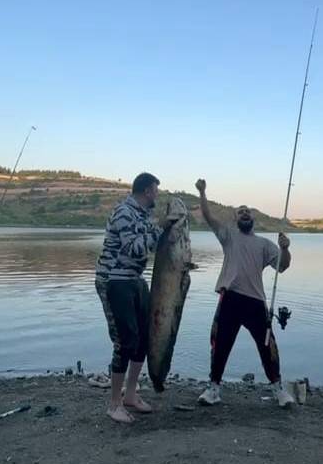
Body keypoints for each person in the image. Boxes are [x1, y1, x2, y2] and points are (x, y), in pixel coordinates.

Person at [195, 178, 294, 407]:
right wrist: (202, 192)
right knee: (219, 344)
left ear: (253, 218)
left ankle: (278, 389)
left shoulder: (264, 244)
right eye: (240, 212)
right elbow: (209, 218)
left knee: (268, 346)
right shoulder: (228, 236)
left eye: (248, 212)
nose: (245, 214)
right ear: (235, 219)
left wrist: (285, 249)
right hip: (230, 298)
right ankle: (214, 388)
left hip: (255, 302)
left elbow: (283, 265)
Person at [95, 172, 171, 423]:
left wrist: (165, 227)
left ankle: (130, 395)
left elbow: (152, 240)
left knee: (142, 340)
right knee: (124, 342)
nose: (157, 196)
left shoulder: (144, 214)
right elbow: (135, 247)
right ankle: (114, 404)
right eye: (155, 191)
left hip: (135, 280)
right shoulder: (124, 212)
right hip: (114, 280)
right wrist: (160, 227)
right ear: (148, 190)